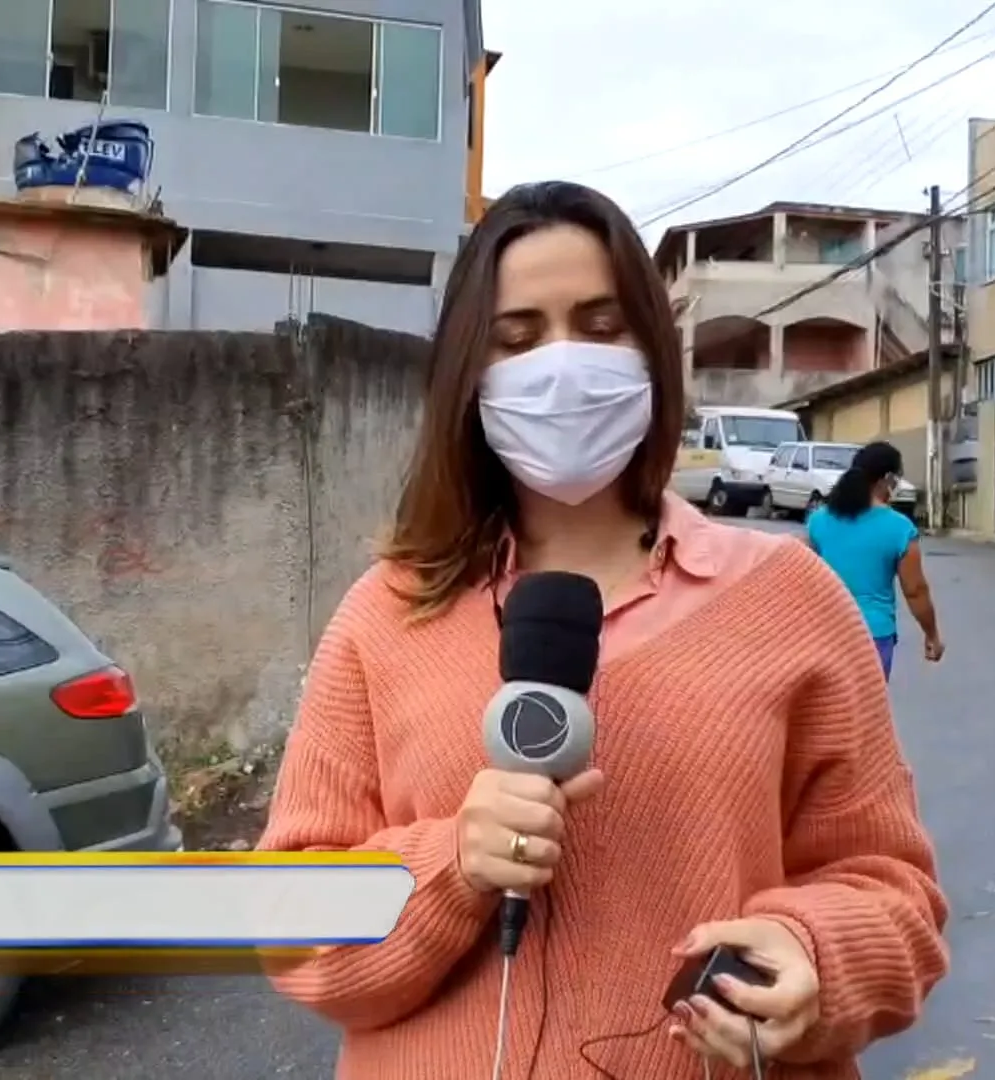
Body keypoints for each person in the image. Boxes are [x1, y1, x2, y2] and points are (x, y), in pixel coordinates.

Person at [257, 181, 947, 1079]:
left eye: (599, 324)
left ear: (653, 350)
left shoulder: (789, 598)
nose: (563, 365)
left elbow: (897, 900)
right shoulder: (386, 614)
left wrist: (813, 954)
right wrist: (448, 867)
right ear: (469, 372)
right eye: (517, 338)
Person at [804, 442, 943, 679]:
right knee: (867, 712)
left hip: (823, 632)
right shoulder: (899, 528)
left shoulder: (818, 520)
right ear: (886, 478)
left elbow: (804, 577)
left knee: (825, 711)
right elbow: (915, 590)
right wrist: (932, 635)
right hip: (872, 635)